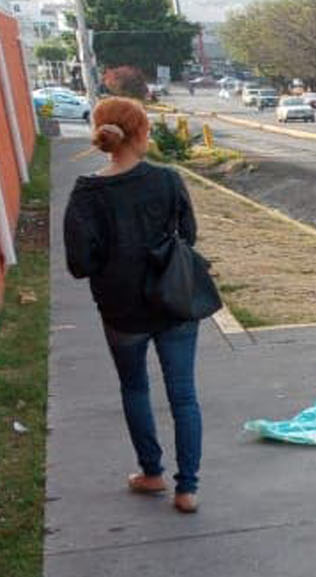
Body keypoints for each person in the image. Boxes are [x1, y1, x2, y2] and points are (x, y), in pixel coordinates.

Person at [63, 97, 204, 514]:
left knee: (134, 388)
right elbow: (189, 235)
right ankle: (187, 489)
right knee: (184, 396)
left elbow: (79, 264)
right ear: (140, 133)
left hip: (121, 310)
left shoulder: (87, 192)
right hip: (174, 301)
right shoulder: (167, 179)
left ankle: (152, 472)